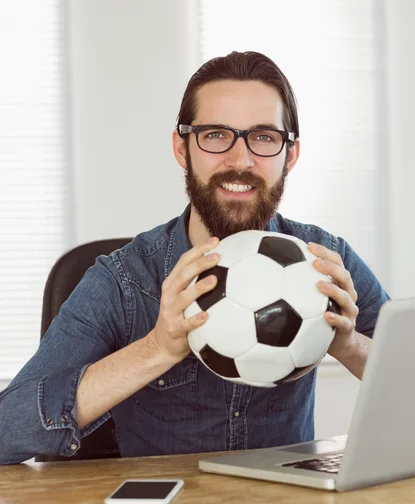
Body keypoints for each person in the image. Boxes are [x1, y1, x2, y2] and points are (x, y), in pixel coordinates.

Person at [0, 51, 389, 465]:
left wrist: (349, 345)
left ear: (289, 156)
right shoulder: (123, 279)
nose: (240, 161)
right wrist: (156, 349)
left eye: (263, 137)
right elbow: (7, 430)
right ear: (182, 149)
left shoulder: (326, 262)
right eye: (216, 135)